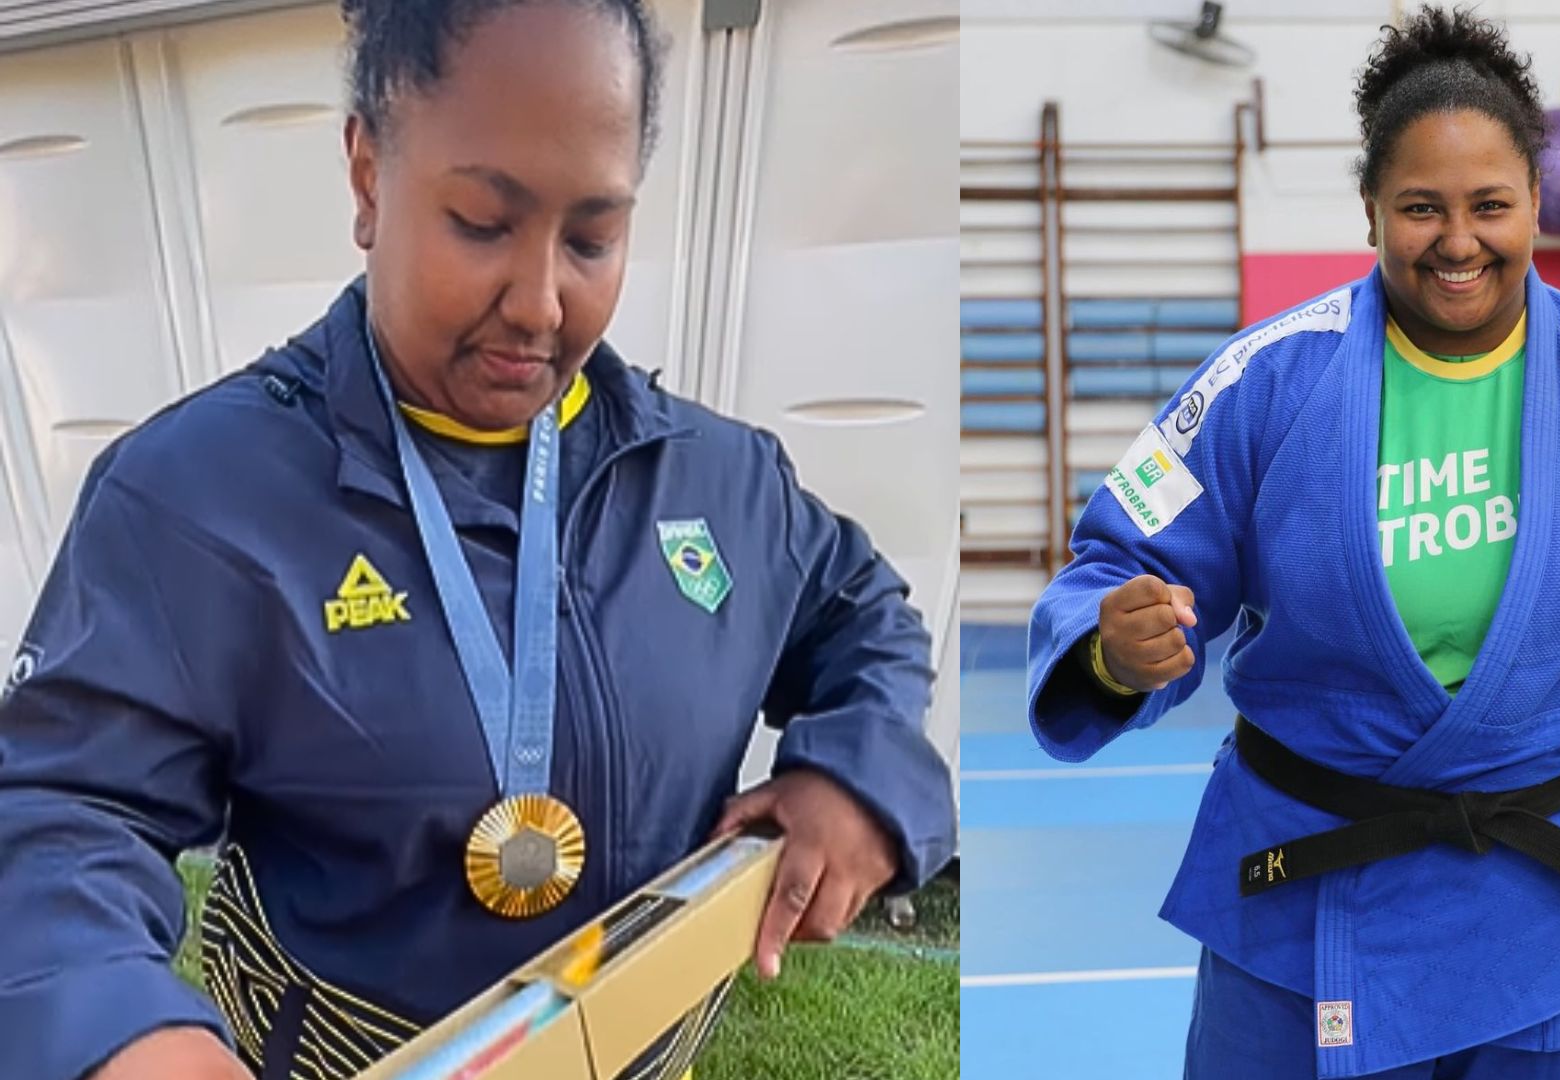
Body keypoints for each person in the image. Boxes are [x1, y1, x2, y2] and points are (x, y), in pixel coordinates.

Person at [0, 2, 956, 1078]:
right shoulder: (197, 499)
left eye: (593, 236)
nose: (542, 303)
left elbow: (860, 609)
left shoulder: (720, 479)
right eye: (483, 223)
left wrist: (866, 775)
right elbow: (58, 806)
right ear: (368, 176)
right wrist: (124, 1031)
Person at [1026, 7, 1560, 1078]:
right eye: (1421, 207)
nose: (1459, 239)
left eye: (1491, 204)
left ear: (1537, 202)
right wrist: (1110, 652)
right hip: (1310, 906)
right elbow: (1117, 566)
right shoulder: (1267, 383)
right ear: (1372, 212)